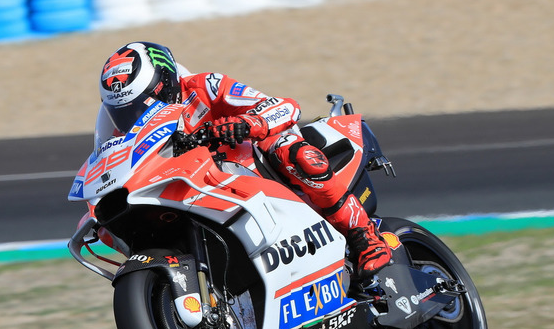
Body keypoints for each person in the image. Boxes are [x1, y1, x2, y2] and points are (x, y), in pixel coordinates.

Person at [98, 41, 391, 278]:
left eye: (143, 103)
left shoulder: (205, 86)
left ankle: (363, 236)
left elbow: (284, 107)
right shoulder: (113, 128)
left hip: (246, 166)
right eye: (125, 111)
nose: (135, 115)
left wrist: (247, 124)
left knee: (291, 150)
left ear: (165, 82)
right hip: (188, 187)